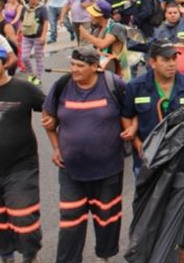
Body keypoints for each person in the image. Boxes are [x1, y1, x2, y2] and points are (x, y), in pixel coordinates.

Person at [42, 46, 130, 263]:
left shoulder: (113, 84)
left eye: (80, 66)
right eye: (72, 65)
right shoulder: (62, 85)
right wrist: (55, 147)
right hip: (71, 170)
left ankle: (105, 257)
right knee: (70, 221)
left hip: (108, 169)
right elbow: (47, 116)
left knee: (107, 219)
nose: (74, 70)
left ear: (94, 67)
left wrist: (132, 130)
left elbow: (131, 113)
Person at [122, 39, 184, 252]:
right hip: (148, 164)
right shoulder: (136, 87)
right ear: (152, 62)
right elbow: (126, 116)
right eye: (165, 59)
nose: (171, 64)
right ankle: (146, 254)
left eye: (174, 59)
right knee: (148, 213)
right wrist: (138, 144)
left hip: (183, 163)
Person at [0, 44, 45, 263]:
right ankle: (6, 257)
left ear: (5, 63)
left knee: (23, 217)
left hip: (21, 167)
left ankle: (30, 256)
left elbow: (53, 108)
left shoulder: (24, 89)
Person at [79, 0, 131, 80]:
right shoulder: (97, 30)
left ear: (100, 16)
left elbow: (103, 44)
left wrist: (86, 35)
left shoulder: (116, 27)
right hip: (103, 72)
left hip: (117, 74)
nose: (90, 16)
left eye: (92, 14)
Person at [20, 0, 48, 86]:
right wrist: (20, 32)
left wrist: (43, 36)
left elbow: (45, 22)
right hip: (26, 36)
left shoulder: (42, 8)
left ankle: (39, 78)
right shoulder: (25, 8)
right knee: (25, 57)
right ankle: (31, 75)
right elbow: (21, 20)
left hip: (37, 36)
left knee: (38, 58)